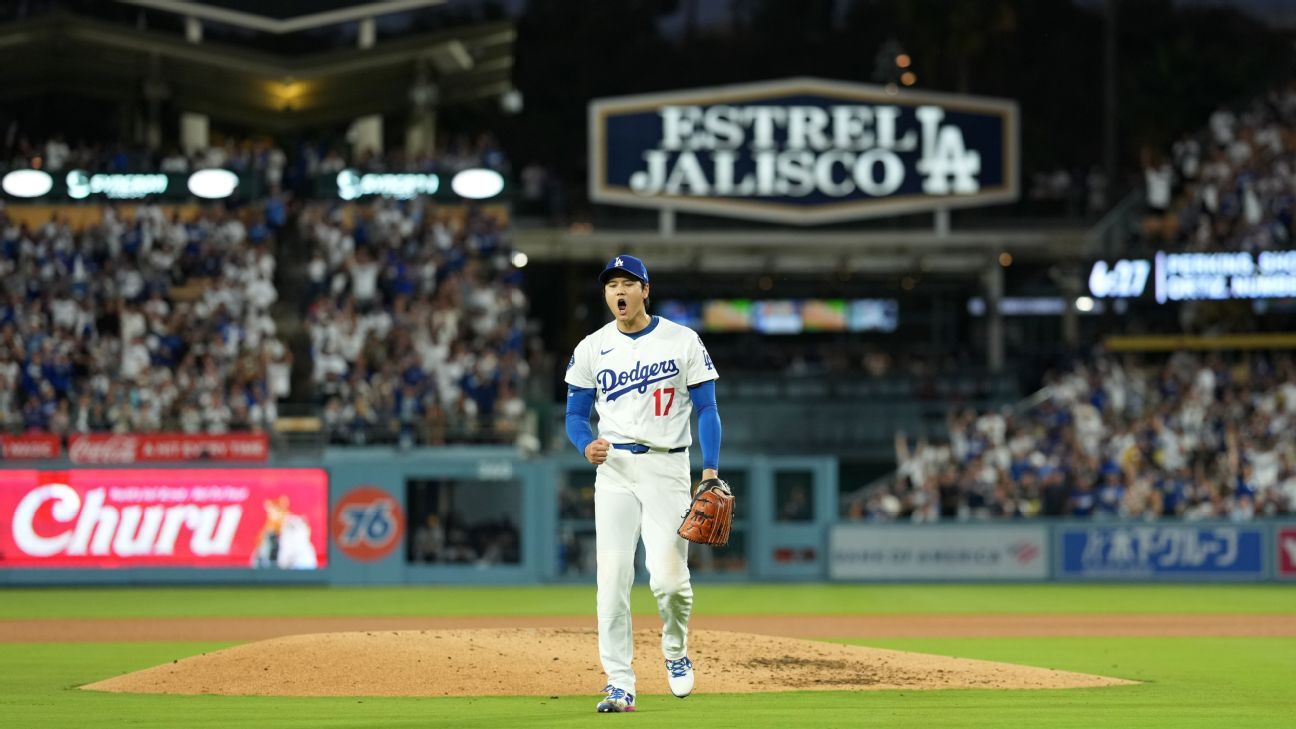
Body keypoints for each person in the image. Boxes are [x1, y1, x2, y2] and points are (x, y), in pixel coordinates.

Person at [564, 254, 722, 713]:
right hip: (613, 470)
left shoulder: (681, 339)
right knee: (611, 580)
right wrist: (584, 444)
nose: (619, 291)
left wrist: (709, 469)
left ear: (645, 290)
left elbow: (707, 409)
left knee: (670, 582)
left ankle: (675, 651)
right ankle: (619, 683)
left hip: (667, 468)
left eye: (628, 283)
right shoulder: (592, 346)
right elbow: (575, 415)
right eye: (611, 284)